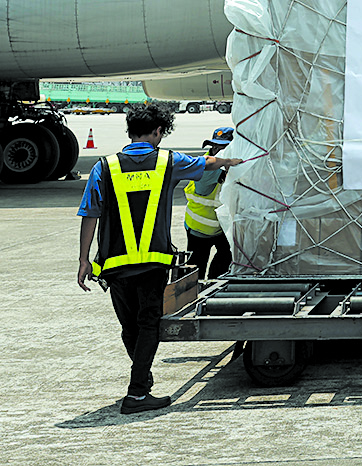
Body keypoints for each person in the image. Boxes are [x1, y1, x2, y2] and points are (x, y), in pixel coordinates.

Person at [76, 103, 244, 414]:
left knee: (130, 327)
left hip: (115, 265)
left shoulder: (104, 167)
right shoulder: (168, 162)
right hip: (152, 264)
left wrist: (84, 258)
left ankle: (141, 379)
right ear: (158, 131)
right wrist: (232, 160)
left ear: (130, 131)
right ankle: (138, 392)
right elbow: (207, 163)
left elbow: (90, 213)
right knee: (149, 324)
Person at [183, 126, 235, 280]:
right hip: (200, 228)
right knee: (196, 270)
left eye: (222, 147)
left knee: (226, 258)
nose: (216, 151)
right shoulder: (207, 171)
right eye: (214, 147)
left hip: (220, 227)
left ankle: (213, 281)